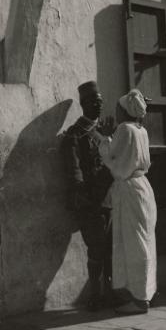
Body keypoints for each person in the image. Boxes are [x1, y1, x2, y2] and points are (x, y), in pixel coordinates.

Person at [94, 89, 157, 315]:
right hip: (142, 187)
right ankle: (143, 293)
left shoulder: (124, 129)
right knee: (143, 239)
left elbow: (112, 158)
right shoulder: (142, 131)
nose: (116, 113)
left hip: (129, 189)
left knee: (133, 242)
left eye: (118, 110)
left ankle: (139, 300)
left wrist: (102, 137)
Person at [60, 81, 113, 311]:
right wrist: (83, 194)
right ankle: (95, 295)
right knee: (96, 248)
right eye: (93, 102)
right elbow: (74, 170)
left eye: (100, 102)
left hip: (109, 198)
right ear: (83, 105)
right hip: (91, 201)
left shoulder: (103, 131)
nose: (98, 106)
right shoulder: (75, 134)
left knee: (110, 247)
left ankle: (110, 293)